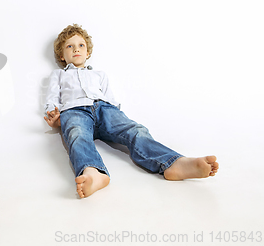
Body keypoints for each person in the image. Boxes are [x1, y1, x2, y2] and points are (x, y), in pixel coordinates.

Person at [44, 24, 219, 198]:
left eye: (81, 45)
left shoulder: (99, 74)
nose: (76, 49)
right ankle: (93, 172)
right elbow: (52, 97)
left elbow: (109, 97)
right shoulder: (59, 75)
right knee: (77, 135)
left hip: (103, 108)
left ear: (88, 52)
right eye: (70, 46)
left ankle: (173, 163)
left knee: (135, 130)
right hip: (74, 111)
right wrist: (54, 114)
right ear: (61, 55)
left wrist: (114, 113)